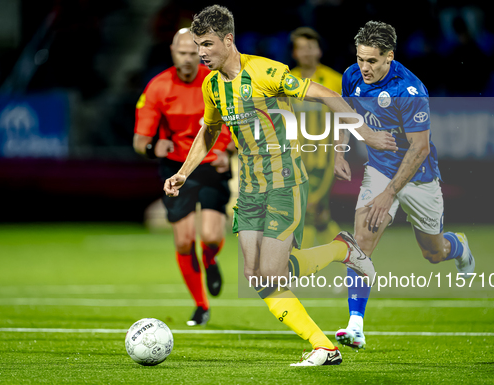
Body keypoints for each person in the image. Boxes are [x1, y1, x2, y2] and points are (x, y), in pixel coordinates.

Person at [163, 5, 397, 366]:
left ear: (228, 40)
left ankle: (338, 264)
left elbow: (325, 94)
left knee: (272, 273)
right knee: (256, 276)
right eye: (197, 45)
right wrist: (184, 171)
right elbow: (209, 130)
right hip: (251, 189)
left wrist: (364, 134)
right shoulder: (211, 86)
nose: (201, 53)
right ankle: (326, 337)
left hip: (285, 183)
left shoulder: (265, 71)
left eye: (207, 44)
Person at [333, 21, 476, 350]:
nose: (363, 68)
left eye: (372, 61)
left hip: (418, 176)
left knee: (433, 252)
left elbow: (419, 149)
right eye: (360, 59)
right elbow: (344, 113)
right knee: (360, 244)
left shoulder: (409, 90)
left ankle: (458, 246)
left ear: (389, 57)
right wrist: (339, 151)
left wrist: (389, 193)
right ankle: (355, 326)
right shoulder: (352, 75)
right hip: (380, 170)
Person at [134, 28, 233, 327]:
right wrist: (153, 148)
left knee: (213, 236)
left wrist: (227, 149)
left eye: (194, 52)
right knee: (184, 241)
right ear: (173, 52)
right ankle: (201, 306)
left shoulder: (216, 81)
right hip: (177, 168)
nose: (189, 58)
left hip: (211, 162)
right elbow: (140, 141)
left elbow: (234, 119)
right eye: (183, 52)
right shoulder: (157, 87)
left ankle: (211, 259)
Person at [289, 27, 343, 248]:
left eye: (311, 47)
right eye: (301, 48)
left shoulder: (334, 80)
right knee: (319, 217)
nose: (306, 53)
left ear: (319, 51)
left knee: (307, 210)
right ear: (294, 53)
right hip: (294, 159)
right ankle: (354, 264)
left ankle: (299, 270)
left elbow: (344, 121)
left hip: (323, 159)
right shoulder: (286, 81)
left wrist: (340, 154)